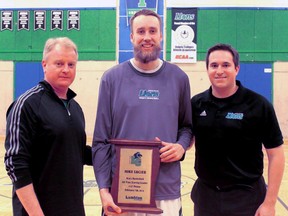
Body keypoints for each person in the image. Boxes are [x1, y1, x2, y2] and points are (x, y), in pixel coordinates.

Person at [92, 9, 192, 216]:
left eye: (153, 31)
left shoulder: (179, 78)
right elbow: (101, 141)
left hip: (166, 193)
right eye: (141, 31)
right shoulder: (111, 79)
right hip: (122, 192)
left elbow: (187, 127)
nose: (147, 37)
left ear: (161, 35)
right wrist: (103, 189)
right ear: (131, 37)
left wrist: (181, 146)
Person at [190, 43, 285, 216]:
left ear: (237, 68)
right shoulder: (196, 104)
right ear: (207, 69)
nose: (219, 70)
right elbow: (187, 138)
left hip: (246, 198)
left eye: (226, 65)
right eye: (214, 65)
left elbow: (276, 154)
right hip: (205, 197)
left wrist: (270, 203)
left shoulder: (258, 105)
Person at [4, 37, 92, 216]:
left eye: (71, 64)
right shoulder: (27, 104)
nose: (66, 70)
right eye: (59, 63)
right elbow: (15, 163)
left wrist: (118, 153)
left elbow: (78, 152)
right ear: (44, 65)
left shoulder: (75, 108)